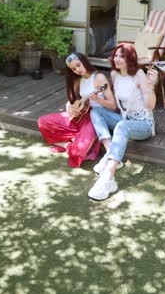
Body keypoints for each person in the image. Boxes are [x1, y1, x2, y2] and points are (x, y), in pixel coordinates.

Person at [88, 43, 158, 200]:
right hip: (126, 120)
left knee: (121, 125)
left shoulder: (139, 74)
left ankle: (108, 177)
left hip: (143, 125)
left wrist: (150, 86)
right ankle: (110, 153)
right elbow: (116, 106)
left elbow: (150, 106)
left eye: (123, 56)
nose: (118, 59)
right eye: (116, 55)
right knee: (97, 111)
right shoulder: (115, 74)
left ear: (130, 59)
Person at [38, 52, 116, 168]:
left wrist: (98, 100)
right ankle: (70, 143)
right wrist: (69, 106)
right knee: (42, 121)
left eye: (78, 65)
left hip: (95, 118)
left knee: (79, 150)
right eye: (73, 69)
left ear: (84, 61)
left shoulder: (99, 78)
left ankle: (72, 143)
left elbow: (113, 105)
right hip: (80, 116)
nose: (77, 70)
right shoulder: (78, 80)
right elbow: (72, 100)